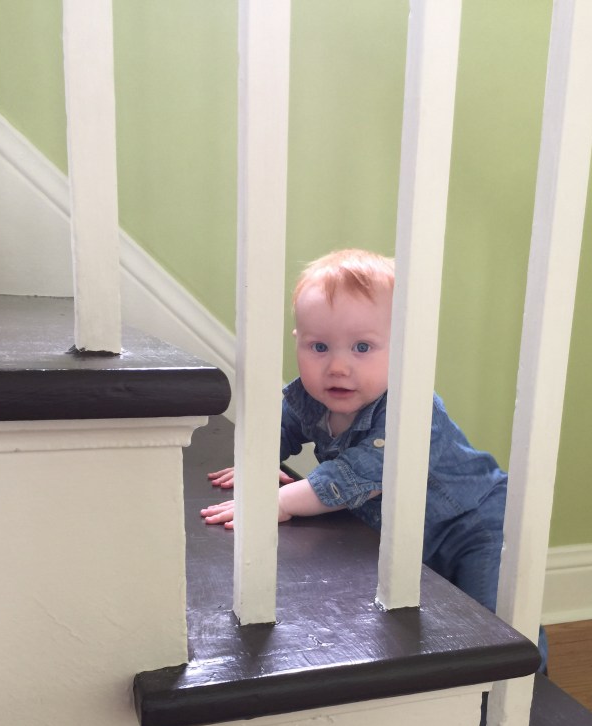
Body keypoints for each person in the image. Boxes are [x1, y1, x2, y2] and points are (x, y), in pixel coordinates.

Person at [201, 248, 517, 622]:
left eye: (362, 347)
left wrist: (280, 502)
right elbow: (278, 430)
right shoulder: (311, 398)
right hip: (408, 538)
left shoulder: (412, 410)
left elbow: (352, 476)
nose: (337, 366)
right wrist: (258, 463)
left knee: (495, 619)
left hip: (475, 527)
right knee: (439, 621)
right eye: (319, 347)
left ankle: (530, 663)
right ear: (298, 341)